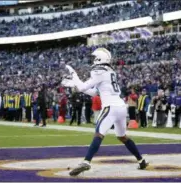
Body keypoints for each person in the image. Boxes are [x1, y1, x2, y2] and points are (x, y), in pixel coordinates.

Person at [61, 47, 148, 177]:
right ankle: (141, 161)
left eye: (94, 57)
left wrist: (74, 75)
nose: (92, 60)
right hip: (120, 106)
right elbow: (94, 92)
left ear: (99, 58)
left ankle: (86, 162)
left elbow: (83, 87)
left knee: (99, 134)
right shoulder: (109, 71)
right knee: (122, 136)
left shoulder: (98, 70)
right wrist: (76, 85)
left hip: (110, 107)